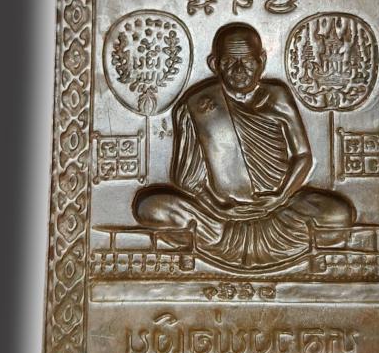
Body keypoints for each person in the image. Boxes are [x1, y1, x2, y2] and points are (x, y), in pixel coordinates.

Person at [132, 22, 356, 270]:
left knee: (339, 214)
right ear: (214, 64)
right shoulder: (197, 104)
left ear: (261, 61)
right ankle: (234, 245)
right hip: (218, 220)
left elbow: (303, 156)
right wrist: (217, 206)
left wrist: (280, 196)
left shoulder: (277, 96)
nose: (239, 70)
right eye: (229, 61)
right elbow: (188, 180)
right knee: (150, 207)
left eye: (247, 61)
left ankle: (212, 247)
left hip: (279, 213)